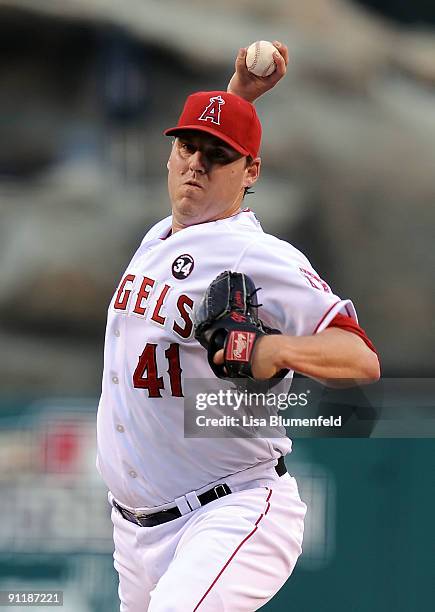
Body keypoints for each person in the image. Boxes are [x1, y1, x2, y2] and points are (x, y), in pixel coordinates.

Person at [96, 42, 380, 612]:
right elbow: (214, 135)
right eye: (187, 147)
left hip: (230, 510)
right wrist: (238, 97)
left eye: (218, 155)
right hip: (135, 532)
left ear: (251, 171)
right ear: (170, 155)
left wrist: (274, 348)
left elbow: (360, 359)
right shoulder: (163, 234)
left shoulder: (258, 254)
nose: (196, 163)